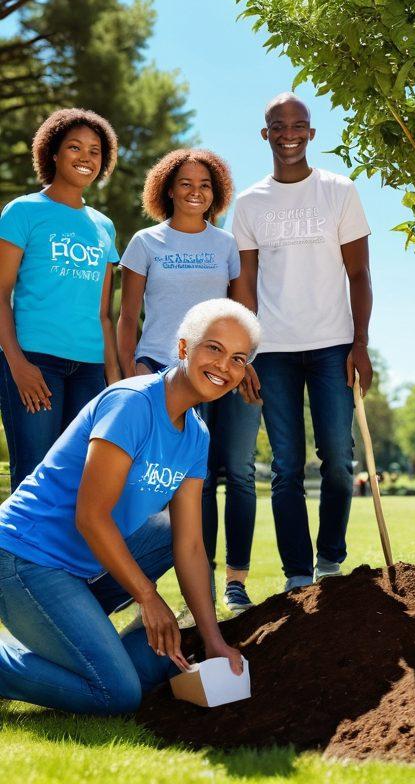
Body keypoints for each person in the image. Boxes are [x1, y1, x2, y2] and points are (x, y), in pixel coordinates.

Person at [0, 299, 254, 715]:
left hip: (80, 569)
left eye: (238, 358)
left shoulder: (196, 435)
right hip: (24, 557)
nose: (224, 366)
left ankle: (77, 642)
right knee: (116, 694)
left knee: (169, 538)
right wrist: (148, 597)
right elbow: (91, 515)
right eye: (214, 348)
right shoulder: (132, 403)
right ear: (185, 348)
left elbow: (189, 544)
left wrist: (212, 639)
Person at [231, 93, 373, 592]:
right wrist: (244, 353)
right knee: (287, 466)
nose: (289, 133)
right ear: (265, 134)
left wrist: (360, 344)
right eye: (278, 125)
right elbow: (243, 285)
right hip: (272, 352)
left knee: (338, 457)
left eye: (298, 125)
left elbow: (359, 273)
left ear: (311, 133)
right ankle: (296, 575)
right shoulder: (248, 203)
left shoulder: (339, 191)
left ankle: (330, 559)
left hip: (333, 345)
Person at [118, 148, 260, 614]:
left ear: (215, 193)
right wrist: (129, 374)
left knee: (236, 473)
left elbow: (240, 314)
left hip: (223, 373)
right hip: (162, 372)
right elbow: (127, 316)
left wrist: (246, 363)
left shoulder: (224, 245)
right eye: (185, 183)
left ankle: (234, 583)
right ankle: (154, 592)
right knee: (165, 484)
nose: (195, 191)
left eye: (204, 185)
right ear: (167, 189)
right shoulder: (145, 242)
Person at [0, 108, 120, 491]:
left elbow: (105, 314)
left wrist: (113, 379)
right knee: (34, 479)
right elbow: (1, 294)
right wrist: (17, 364)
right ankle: (19, 555)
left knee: (79, 483)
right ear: (52, 152)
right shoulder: (22, 211)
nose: (86, 157)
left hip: (89, 371)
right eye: (74, 147)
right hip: (36, 363)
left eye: (95, 150)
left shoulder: (104, 226)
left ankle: (62, 555)